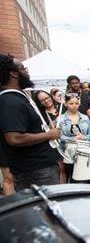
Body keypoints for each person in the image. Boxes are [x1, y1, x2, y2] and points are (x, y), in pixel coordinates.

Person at [0, 54, 60, 190]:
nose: (27, 72)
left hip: (39, 168)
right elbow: (14, 138)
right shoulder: (10, 101)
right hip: (36, 171)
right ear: (14, 73)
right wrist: (50, 134)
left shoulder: (16, 97)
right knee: (47, 208)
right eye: (23, 68)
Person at [59, 93, 90, 182]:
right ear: (66, 104)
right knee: (74, 176)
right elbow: (60, 136)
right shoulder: (61, 119)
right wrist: (72, 139)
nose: (74, 106)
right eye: (71, 103)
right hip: (70, 152)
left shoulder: (85, 118)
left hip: (85, 150)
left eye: (76, 103)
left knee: (89, 176)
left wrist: (84, 137)